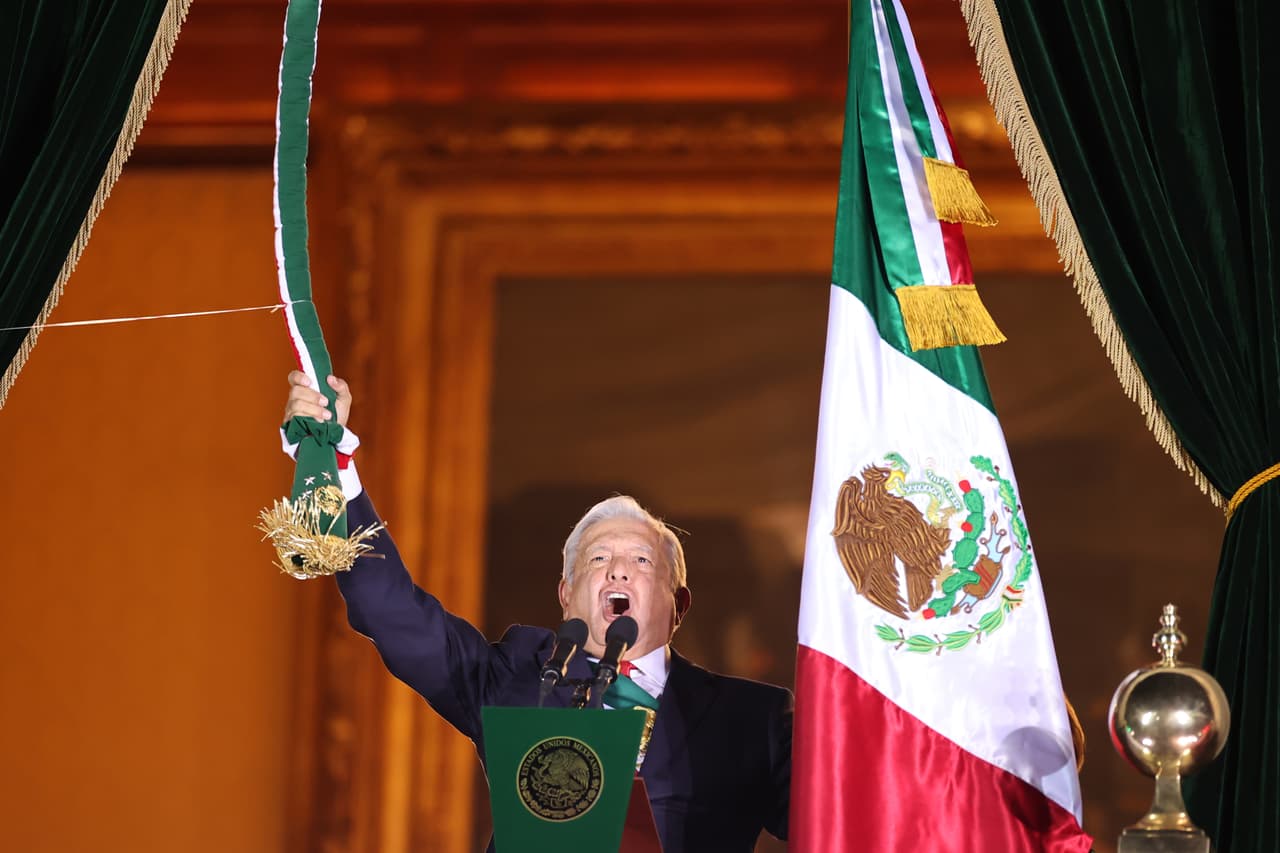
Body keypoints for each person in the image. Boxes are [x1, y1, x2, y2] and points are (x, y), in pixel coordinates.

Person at [282, 371, 792, 852]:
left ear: (679, 604)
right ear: (566, 595)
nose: (617, 572)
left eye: (640, 561)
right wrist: (335, 466)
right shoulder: (512, 679)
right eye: (598, 559)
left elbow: (850, 816)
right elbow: (391, 611)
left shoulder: (751, 720)